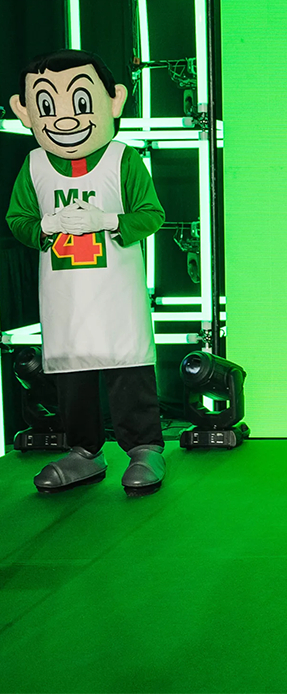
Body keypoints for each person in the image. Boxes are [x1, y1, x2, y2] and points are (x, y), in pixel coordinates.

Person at [7, 49, 166, 496]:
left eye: (80, 102)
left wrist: (109, 220)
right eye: (45, 105)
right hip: (65, 294)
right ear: (24, 111)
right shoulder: (34, 165)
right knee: (72, 373)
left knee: (128, 367)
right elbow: (17, 219)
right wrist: (45, 226)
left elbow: (151, 214)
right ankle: (83, 451)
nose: (64, 119)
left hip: (117, 291)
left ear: (114, 101)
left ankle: (144, 447)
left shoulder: (122, 159)